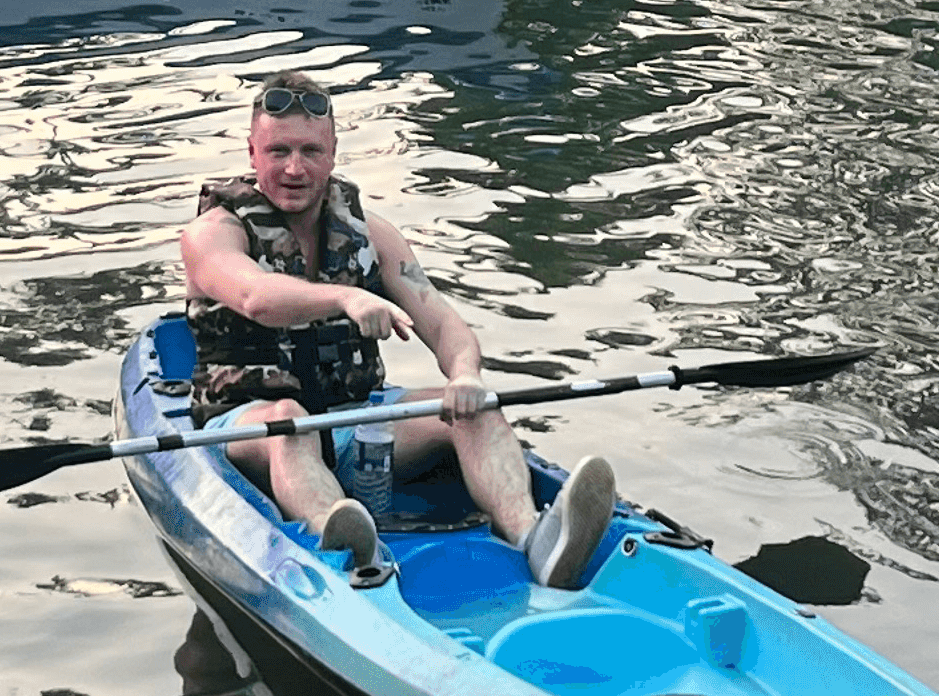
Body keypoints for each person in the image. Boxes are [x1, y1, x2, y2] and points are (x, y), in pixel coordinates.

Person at [179, 81, 616, 585]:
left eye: (310, 151)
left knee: (476, 411)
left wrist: (466, 376)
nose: (294, 168)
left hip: (353, 420)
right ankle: (344, 542)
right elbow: (255, 296)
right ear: (252, 153)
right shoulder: (212, 233)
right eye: (278, 151)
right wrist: (346, 297)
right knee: (289, 421)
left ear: (333, 153)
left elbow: (441, 320)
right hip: (247, 426)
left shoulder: (372, 234)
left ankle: (536, 539)